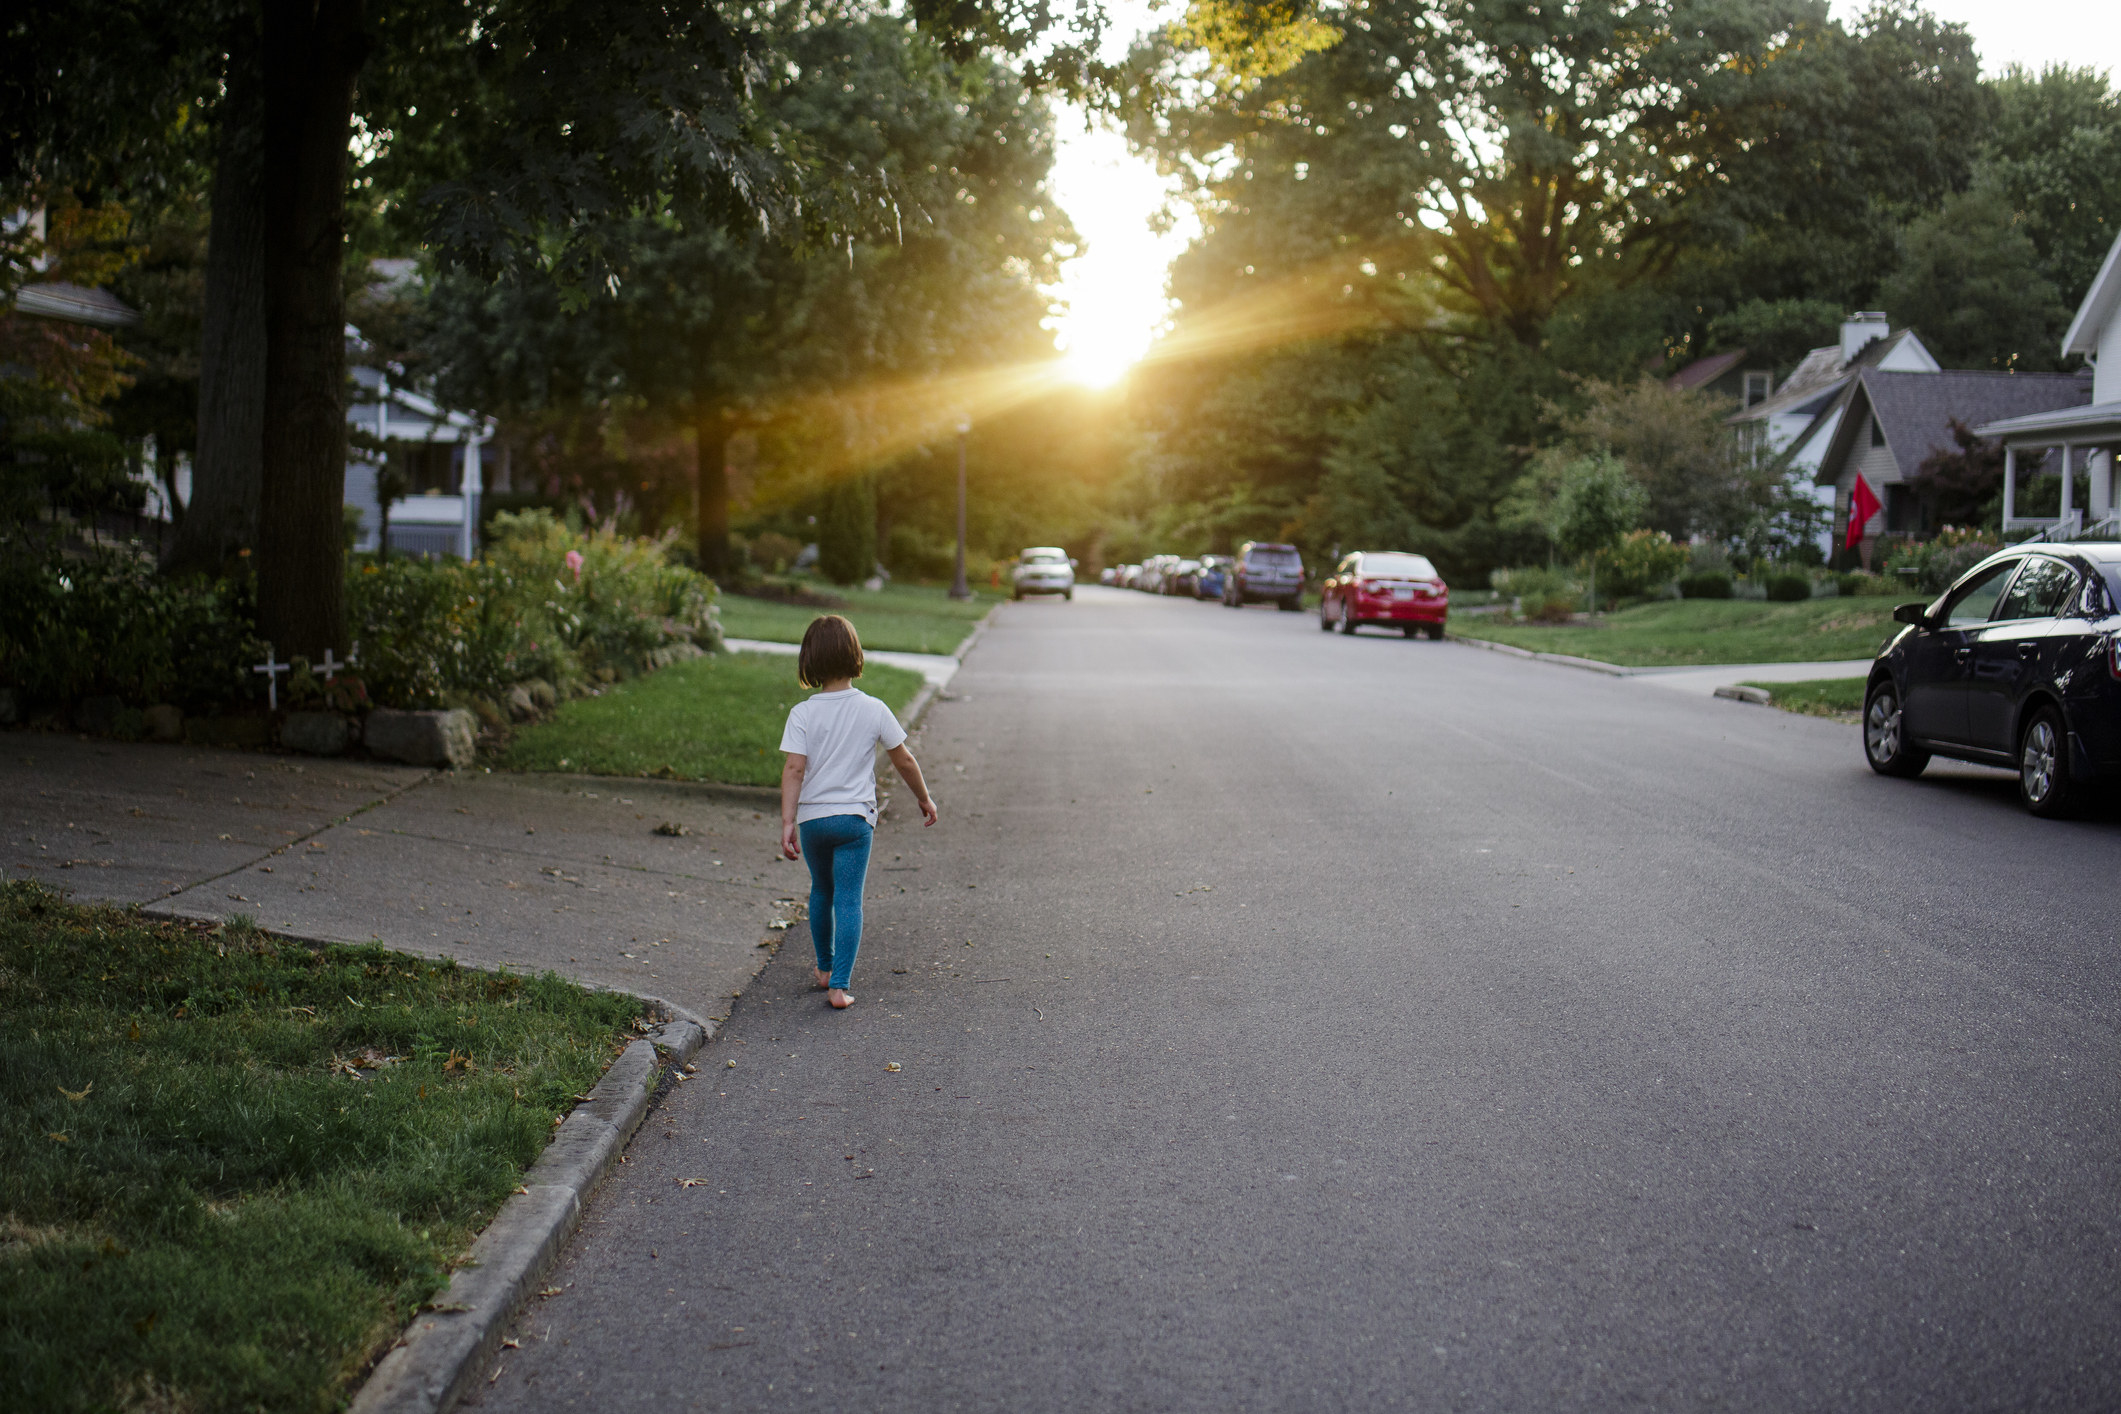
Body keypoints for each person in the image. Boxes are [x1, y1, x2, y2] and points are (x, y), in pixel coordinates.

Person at [778, 614, 938, 1009]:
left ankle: (823, 969)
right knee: (849, 899)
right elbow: (904, 761)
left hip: (814, 820)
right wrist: (923, 797)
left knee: (821, 891)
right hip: (853, 821)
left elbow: (794, 769)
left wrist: (787, 820)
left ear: (810, 661)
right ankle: (840, 987)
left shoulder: (803, 713)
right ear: (855, 655)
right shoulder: (874, 709)